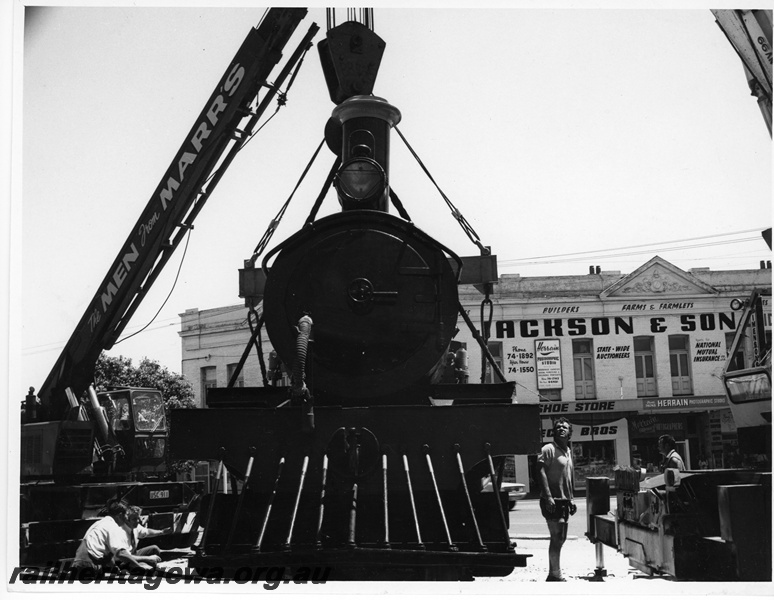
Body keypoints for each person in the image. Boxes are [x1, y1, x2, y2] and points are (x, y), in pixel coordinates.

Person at [537, 417, 576, 582]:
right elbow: (540, 471)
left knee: (561, 537)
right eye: (558, 427)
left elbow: (568, 478)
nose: (561, 429)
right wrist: (548, 497)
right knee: (556, 536)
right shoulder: (548, 449)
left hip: (564, 500)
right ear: (554, 431)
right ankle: (554, 574)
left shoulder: (567, 451)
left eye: (564, 427)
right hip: (552, 500)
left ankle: (554, 571)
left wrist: (571, 499)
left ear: (569, 433)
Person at [71, 500, 155, 575]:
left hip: (79, 563)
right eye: (126, 514)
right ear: (120, 515)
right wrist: (140, 568)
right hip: (88, 565)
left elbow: (107, 555)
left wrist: (116, 570)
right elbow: (121, 554)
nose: (127, 518)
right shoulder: (113, 526)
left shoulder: (101, 523)